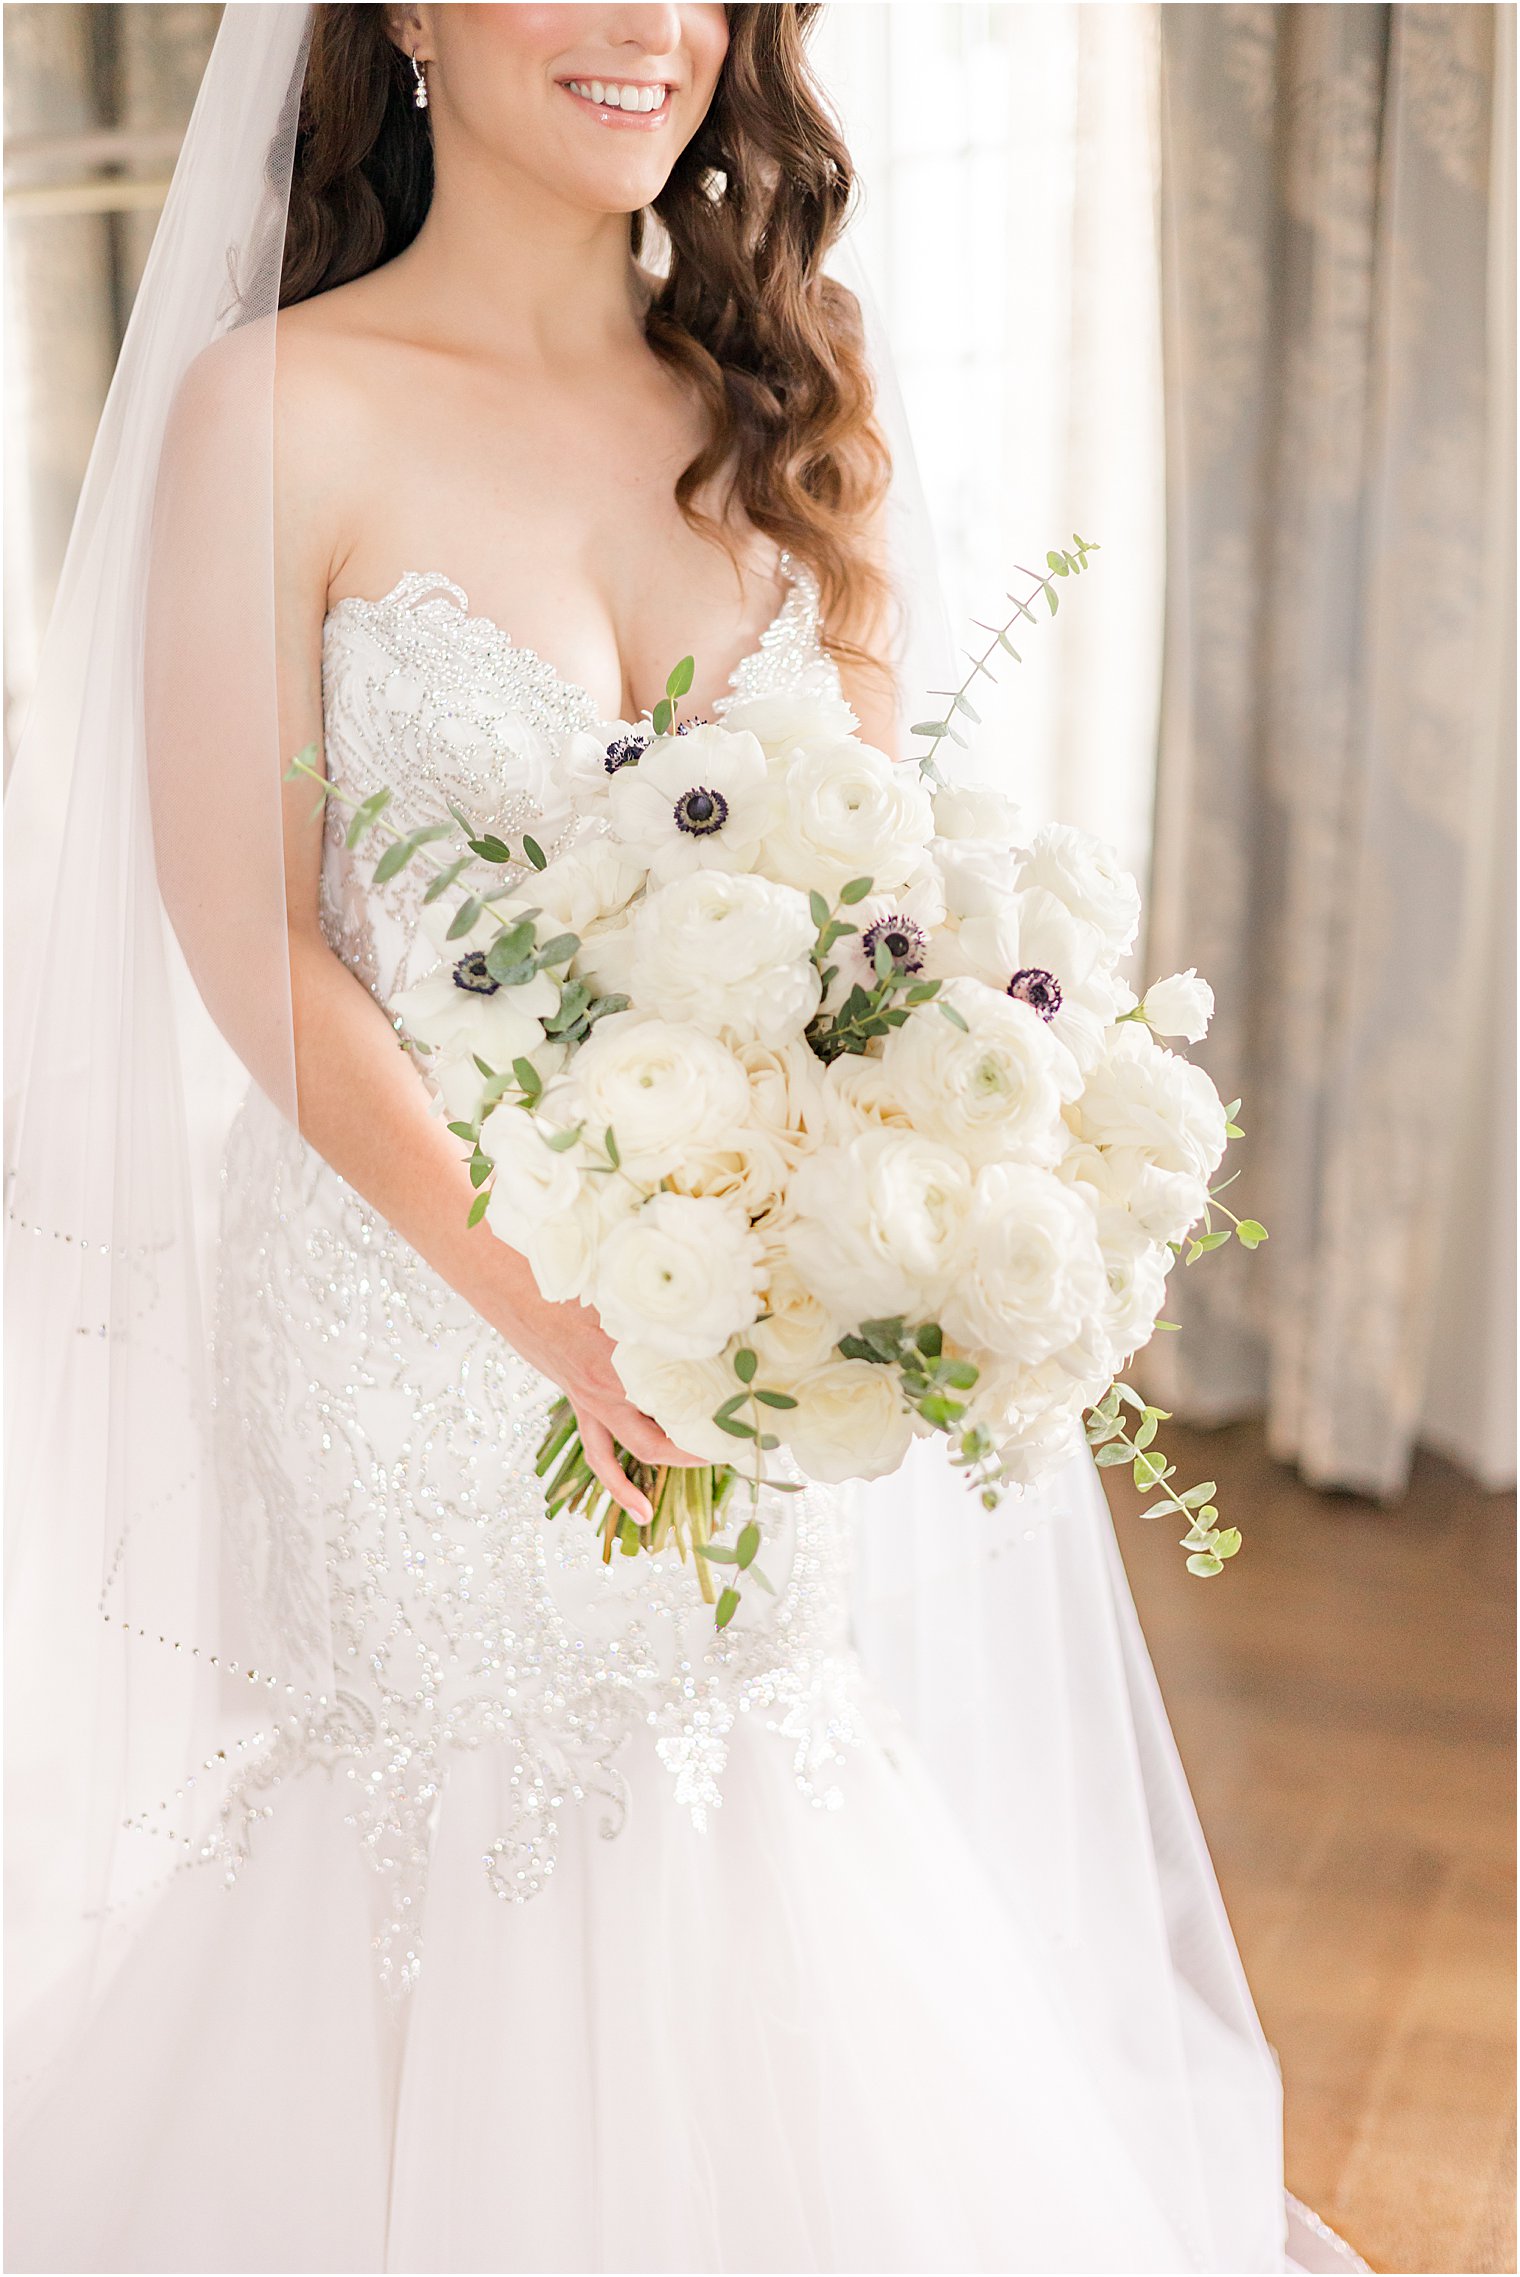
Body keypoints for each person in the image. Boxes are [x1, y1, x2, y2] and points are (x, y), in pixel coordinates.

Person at [4, 8, 1365, 2270]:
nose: (647, 24)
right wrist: (547, 1305)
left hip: (743, 1318)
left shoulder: (782, 398)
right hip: (411, 1308)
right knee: (455, 1844)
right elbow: (244, 934)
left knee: (750, 1799)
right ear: (414, 16)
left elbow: (877, 931)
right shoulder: (284, 404)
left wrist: (903, 1224)